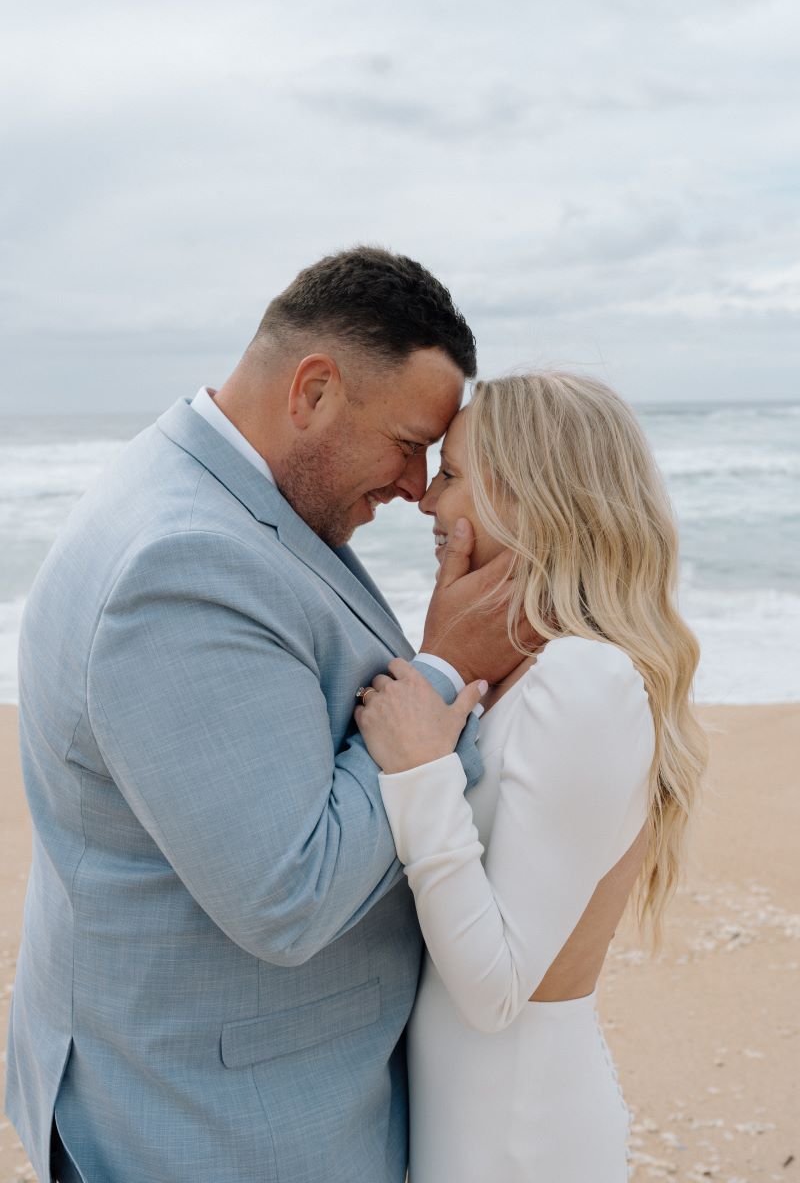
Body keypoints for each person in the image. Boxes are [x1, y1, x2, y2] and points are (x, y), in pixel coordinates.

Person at [5, 247, 525, 1183]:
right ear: (314, 390)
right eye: (409, 443)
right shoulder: (179, 566)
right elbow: (288, 896)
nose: (416, 488)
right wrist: (447, 668)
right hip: (215, 1125)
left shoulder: (216, 486)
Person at [355, 371, 708, 1182]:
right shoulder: (525, 674)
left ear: (527, 496)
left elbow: (495, 987)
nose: (427, 501)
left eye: (449, 475)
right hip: (476, 1117)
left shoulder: (585, 680)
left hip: (520, 1136)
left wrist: (419, 772)